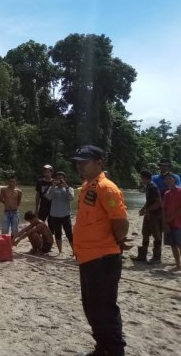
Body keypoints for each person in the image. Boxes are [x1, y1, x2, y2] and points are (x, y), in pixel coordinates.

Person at [72, 145, 129, 356]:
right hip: (87, 258)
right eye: (78, 162)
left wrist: (116, 241)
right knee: (91, 308)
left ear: (99, 162)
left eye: (84, 162)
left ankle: (114, 350)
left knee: (104, 308)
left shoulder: (107, 188)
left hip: (103, 259)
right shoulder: (88, 187)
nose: (80, 166)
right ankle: (102, 347)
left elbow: (121, 222)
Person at [132, 170, 163, 264]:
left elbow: (159, 203)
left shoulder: (153, 187)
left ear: (144, 178)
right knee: (145, 234)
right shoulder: (148, 187)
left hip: (155, 215)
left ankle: (157, 257)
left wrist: (147, 210)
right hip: (149, 214)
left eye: (141, 178)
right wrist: (143, 209)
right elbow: (149, 201)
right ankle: (142, 256)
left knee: (157, 236)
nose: (141, 180)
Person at [43, 171, 75, 255]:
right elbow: (48, 197)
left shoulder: (69, 188)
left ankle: (74, 251)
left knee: (69, 234)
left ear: (64, 179)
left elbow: (71, 198)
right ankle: (60, 251)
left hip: (65, 215)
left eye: (61, 178)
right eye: (57, 178)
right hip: (55, 215)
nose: (59, 180)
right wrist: (53, 186)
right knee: (57, 233)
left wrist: (66, 187)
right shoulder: (52, 188)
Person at [162, 172, 181, 271]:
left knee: (179, 244)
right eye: (166, 179)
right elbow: (164, 208)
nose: (168, 181)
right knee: (173, 245)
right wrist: (165, 222)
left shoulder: (180, 191)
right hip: (169, 223)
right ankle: (178, 265)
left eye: (170, 178)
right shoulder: (166, 193)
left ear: (174, 179)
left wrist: (171, 218)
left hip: (178, 223)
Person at [0, 174, 22, 239]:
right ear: (8, 182)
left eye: (13, 182)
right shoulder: (4, 189)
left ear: (16, 182)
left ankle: (12, 243)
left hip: (15, 213)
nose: (12, 183)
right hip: (6, 212)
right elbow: (0, 199)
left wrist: (14, 206)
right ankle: (4, 243)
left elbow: (19, 202)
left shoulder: (19, 191)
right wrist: (6, 203)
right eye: (10, 181)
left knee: (15, 231)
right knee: (4, 230)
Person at [35, 165, 55, 231]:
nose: (46, 173)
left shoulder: (54, 182)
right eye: (45, 172)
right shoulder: (40, 182)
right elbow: (38, 195)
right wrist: (36, 208)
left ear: (51, 173)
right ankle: (39, 237)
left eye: (48, 172)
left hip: (53, 207)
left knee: (51, 224)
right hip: (43, 206)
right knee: (39, 223)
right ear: (43, 173)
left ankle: (50, 238)